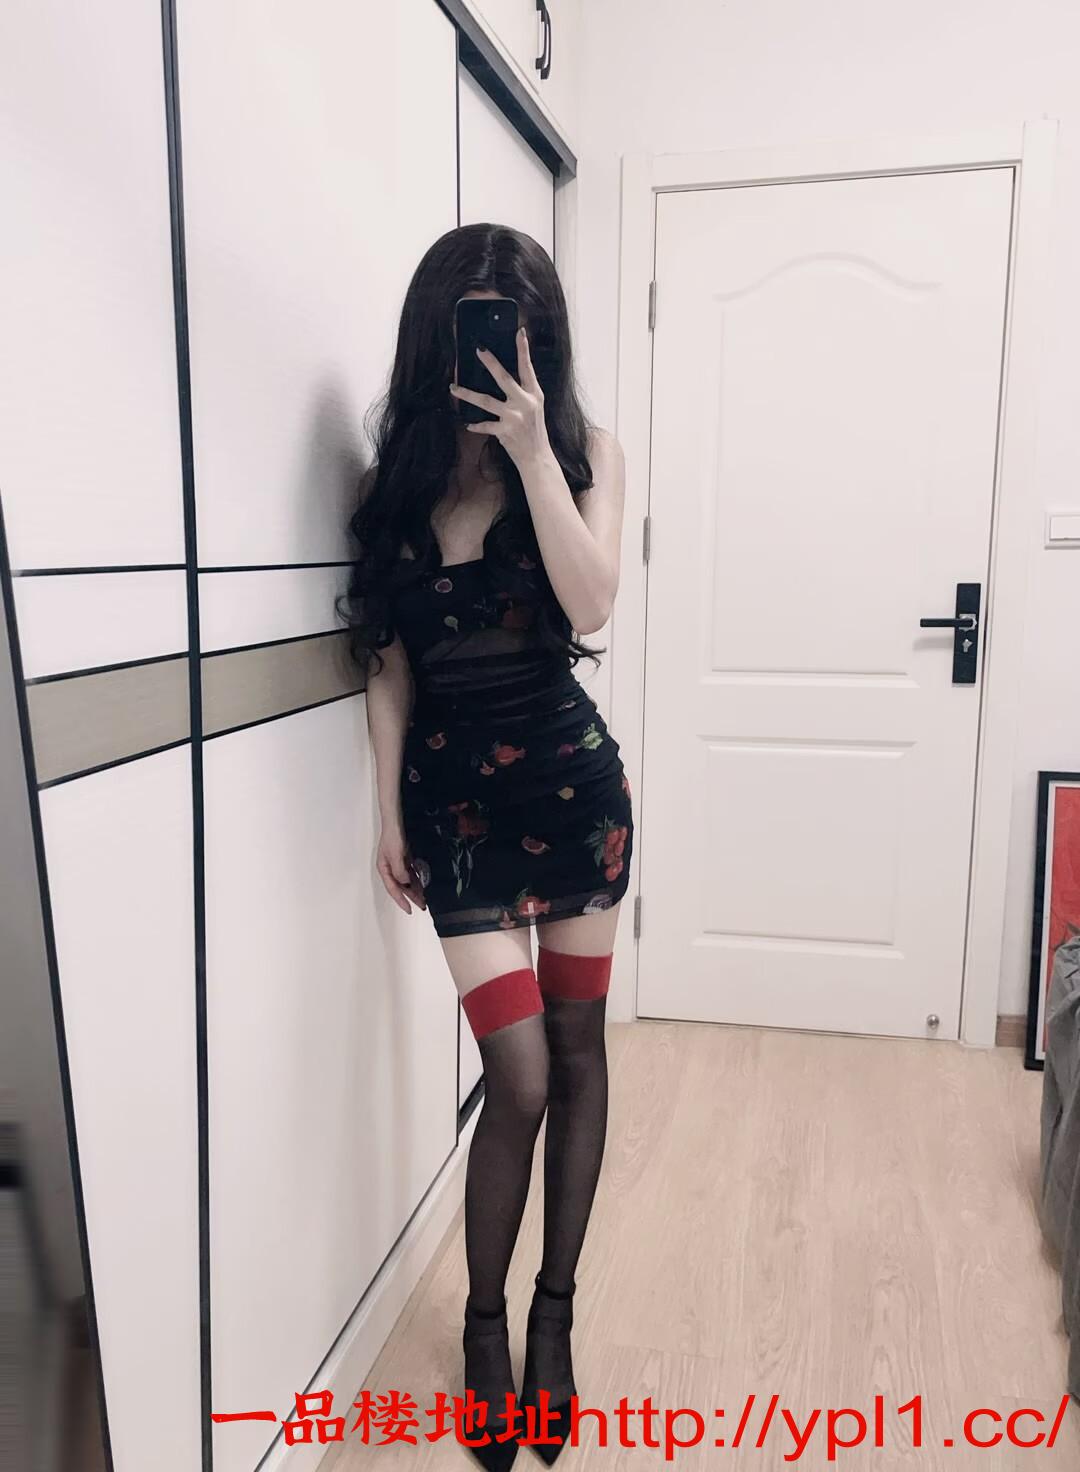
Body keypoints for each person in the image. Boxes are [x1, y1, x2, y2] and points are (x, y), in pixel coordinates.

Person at [338, 222, 633, 1468]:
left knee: (575, 1052)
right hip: (456, 815)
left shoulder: (586, 451)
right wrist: (387, 810)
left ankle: (552, 1313)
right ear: (434, 336)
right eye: (474, 327)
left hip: (575, 799)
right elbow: (389, 664)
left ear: (541, 341)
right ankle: (483, 1323)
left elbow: (594, 598)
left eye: (520, 331)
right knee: (515, 1078)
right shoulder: (395, 483)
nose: (500, 352)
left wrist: (533, 454)